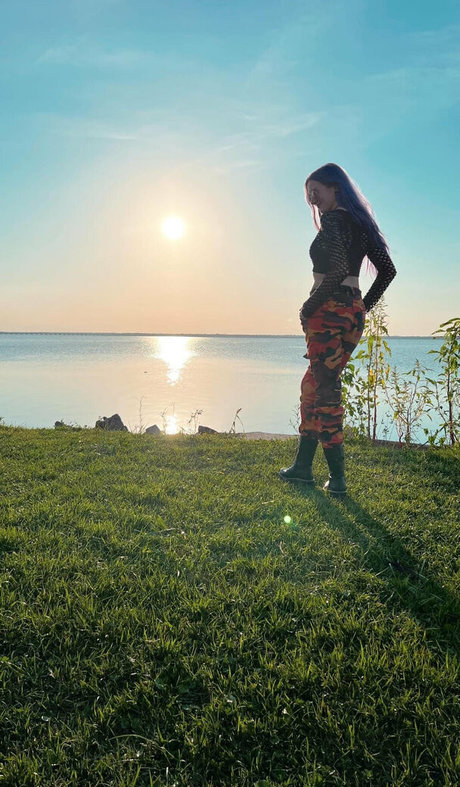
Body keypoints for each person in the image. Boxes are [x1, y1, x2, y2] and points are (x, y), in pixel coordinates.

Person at [279, 162, 396, 496]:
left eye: (316, 191)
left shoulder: (333, 220)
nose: (312, 199)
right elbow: (387, 270)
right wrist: (361, 306)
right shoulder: (362, 223)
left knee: (326, 391)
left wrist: (309, 307)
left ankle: (338, 479)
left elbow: (339, 269)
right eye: (308, 194)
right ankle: (303, 468)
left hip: (328, 312)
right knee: (313, 386)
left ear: (335, 188)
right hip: (350, 312)